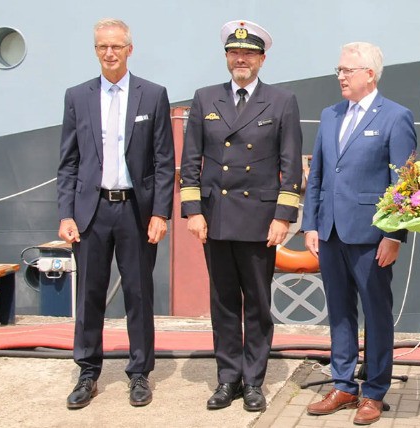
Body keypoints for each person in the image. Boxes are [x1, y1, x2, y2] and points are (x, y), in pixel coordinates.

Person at [179, 20, 302, 412]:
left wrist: (283, 216)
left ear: (262, 59)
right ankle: (227, 378)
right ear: (227, 58)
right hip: (215, 218)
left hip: (258, 219)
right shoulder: (205, 98)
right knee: (224, 302)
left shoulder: (281, 101)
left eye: (248, 53)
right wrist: (193, 211)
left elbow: (291, 165)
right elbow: (190, 160)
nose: (241, 59)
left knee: (258, 304)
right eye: (234, 53)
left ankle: (253, 381)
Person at [57, 18, 174, 409]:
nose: (110, 53)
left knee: (139, 295)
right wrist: (66, 213)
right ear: (95, 50)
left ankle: (139, 373)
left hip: (135, 213)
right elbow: (68, 163)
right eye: (103, 47)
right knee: (89, 296)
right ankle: (88, 372)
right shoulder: (77, 96)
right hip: (90, 211)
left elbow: (163, 161)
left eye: (117, 46)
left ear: (130, 49)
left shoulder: (152, 95)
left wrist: (161, 212)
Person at [301, 42, 417, 426]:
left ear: (370, 73)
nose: (340, 76)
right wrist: (312, 224)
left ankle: (375, 391)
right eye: (339, 70)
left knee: (377, 314)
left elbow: (404, 186)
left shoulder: (395, 117)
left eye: (347, 70)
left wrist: (394, 235)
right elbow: (318, 175)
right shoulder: (330, 115)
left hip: (372, 236)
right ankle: (343, 384)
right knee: (338, 312)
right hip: (331, 232)